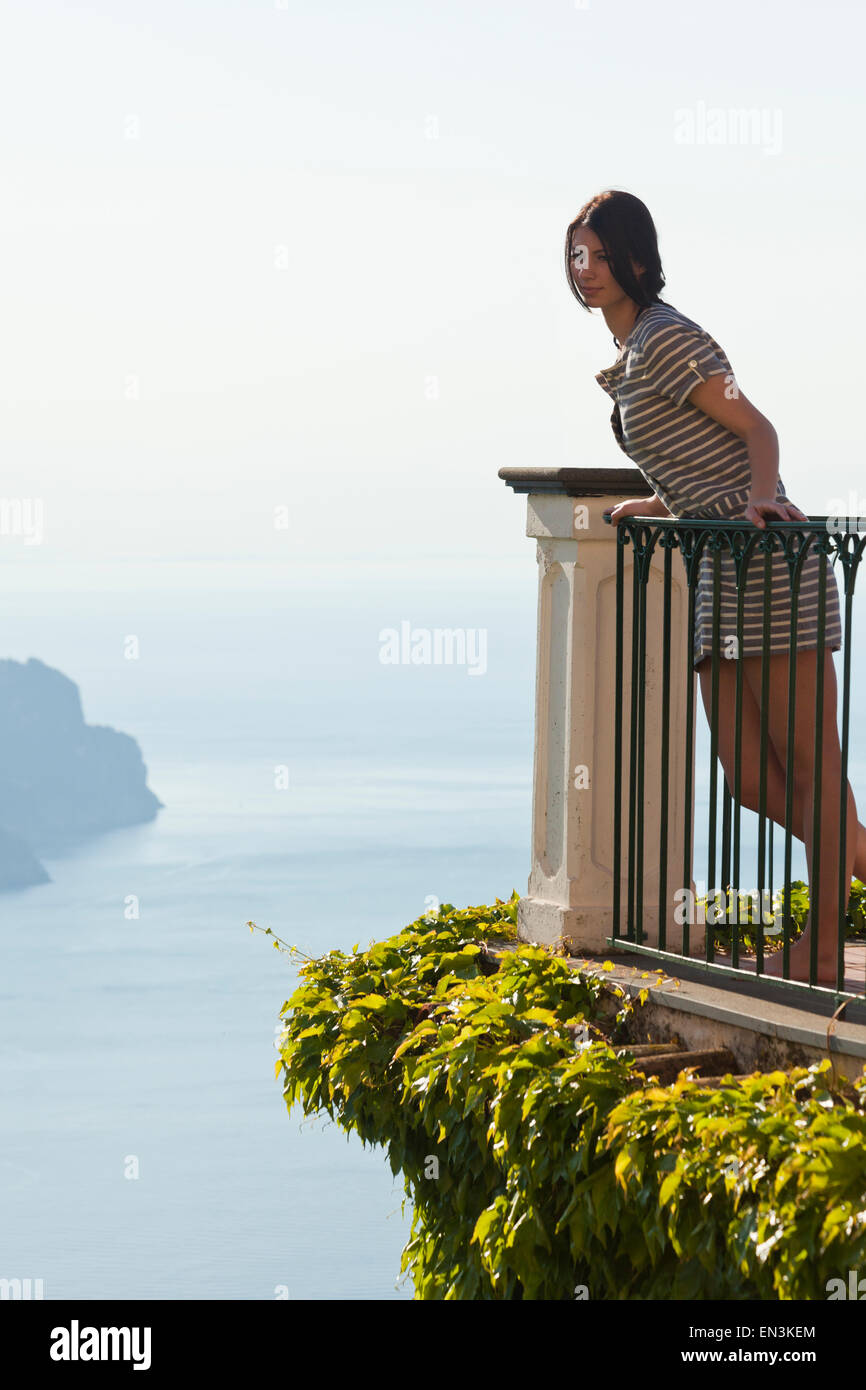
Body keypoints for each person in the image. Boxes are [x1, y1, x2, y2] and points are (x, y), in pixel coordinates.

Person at [567, 188, 862, 986]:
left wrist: (762, 497)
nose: (584, 270)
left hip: (766, 563)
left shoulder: (667, 339)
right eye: (574, 256)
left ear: (634, 259)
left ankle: (825, 949)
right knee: (745, 771)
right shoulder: (629, 361)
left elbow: (755, 431)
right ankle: (858, 858)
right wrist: (658, 504)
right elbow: (698, 459)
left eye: (596, 253)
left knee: (807, 770)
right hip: (719, 575)